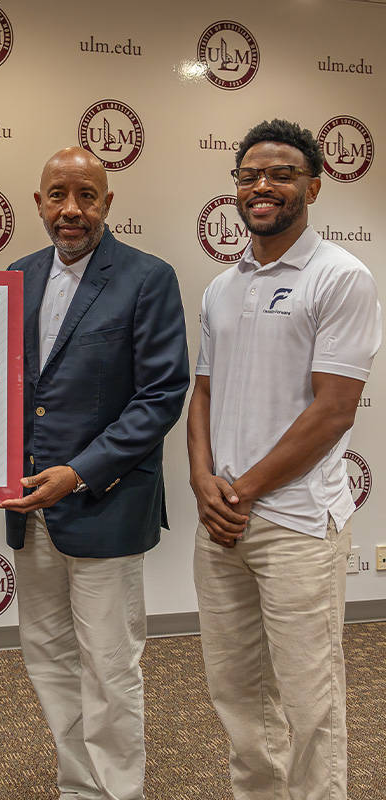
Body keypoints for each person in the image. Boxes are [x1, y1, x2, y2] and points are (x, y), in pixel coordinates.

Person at [188, 119, 382, 800]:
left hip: (297, 523)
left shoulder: (342, 277)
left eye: (280, 174)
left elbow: (333, 410)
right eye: (248, 175)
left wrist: (242, 493)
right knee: (237, 694)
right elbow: (203, 391)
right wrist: (202, 481)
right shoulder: (222, 286)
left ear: (314, 186)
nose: (262, 186)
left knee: (309, 698)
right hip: (222, 523)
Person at [0, 147, 189, 800]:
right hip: (30, 509)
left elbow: (162, 395)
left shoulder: (147, 278)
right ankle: (79, 787)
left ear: (108, 203)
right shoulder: (15, 277)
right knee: (49, 658)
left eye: (86, 195)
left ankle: (118, 791)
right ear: (39, 202)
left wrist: (78, 473)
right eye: (58, 195)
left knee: (111, 666)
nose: (71, 209)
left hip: (105, 505)